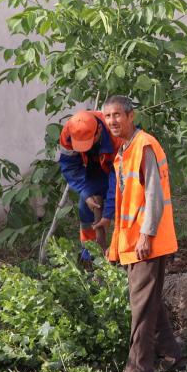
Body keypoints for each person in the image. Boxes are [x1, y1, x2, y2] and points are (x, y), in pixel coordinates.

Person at [98, 95, 184, 372]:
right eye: (107, 116)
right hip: (135, 243)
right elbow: (126, 203)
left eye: (117, 115)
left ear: (131, 116)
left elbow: (153, 197)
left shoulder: (144, 145)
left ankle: (138, 370)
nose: (112, 121)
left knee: (142, 306)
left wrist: (146, 235)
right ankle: (171, 355)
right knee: (150, 303)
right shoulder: (124, 150)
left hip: (147, 242)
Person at [58, 109, 116, 266]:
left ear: (98, 131)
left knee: (121, 207)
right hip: (94, 167)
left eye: (87, 143)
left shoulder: (114, 130)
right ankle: (90, 253)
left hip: (116, 169)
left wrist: (108, 214)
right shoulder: (68, 133)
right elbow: (70, 167)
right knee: (85, 205)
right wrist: (85, 192)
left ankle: (121, 252)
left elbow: (117, 177)